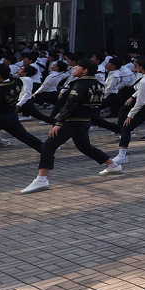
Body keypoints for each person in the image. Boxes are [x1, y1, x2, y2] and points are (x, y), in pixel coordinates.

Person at [22, 60, 115, 194]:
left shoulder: (79, 84)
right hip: (85, 120)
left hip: (73, 121)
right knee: (85, 147)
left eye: (78, 66)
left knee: (48, 146)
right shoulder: (99, 84)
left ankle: (41, 180)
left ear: (85, 71)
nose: (74, 68)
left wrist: (58, 123)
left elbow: (71, 104)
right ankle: (113, 165)